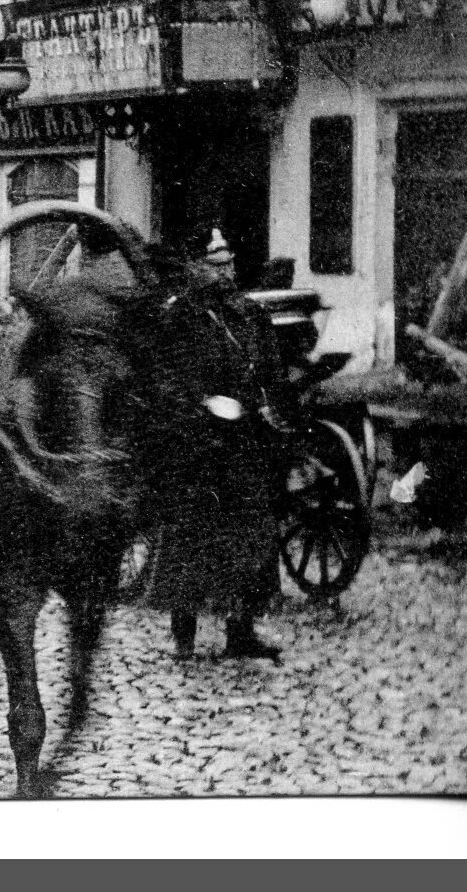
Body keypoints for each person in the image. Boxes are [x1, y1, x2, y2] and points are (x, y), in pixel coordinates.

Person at [142, 228, 283, 661]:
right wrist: (202, 402)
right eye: (216, 266)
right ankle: (184, 632)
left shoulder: (250, 315)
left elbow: (270, 370)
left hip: (243, 445)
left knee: (250, 536)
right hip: (195, 448)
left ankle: (241, 629)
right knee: (191, 539)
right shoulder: (177, 318)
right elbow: (161, 379)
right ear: (194, 269)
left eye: (230, 264)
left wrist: (270, 405)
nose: (227, 273)